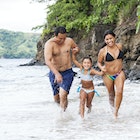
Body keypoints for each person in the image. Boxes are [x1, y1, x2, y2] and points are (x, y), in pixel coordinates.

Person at [44, 26, 79, 111]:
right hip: (54, 72)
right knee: (57, 98)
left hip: (67, 72)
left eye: (64, 38)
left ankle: (63, 115)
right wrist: (56, 74)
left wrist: (76, 50)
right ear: (55, 36)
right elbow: (47, 61)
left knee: (63, 94)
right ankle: (61, 112)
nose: (62, 41)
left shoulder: (69, 41)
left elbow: (76, 47)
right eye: (60, 39)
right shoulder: (49, 44)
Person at [97, 29, 125, 118]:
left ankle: (115, 113)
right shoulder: (103, 51)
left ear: (114, 37)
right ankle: (112, 109)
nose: (109, 41)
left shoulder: (119, 46)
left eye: (111, 38)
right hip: (108, 75)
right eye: (107, 39)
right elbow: (98, 62)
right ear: (105, 41)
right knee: (111, 94)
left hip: (119, 73)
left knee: (119, 91)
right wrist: (102, 68)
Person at [72, 52, 103, 118]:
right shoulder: (81, 68)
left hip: (91, 90)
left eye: (88, 63)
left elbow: (100, 74)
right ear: (82, 64)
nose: (86, 64)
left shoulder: (92, 71)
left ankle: (89, 108)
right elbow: (74, 60)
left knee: (88, 105)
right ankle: (82, 118)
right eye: (85, 63)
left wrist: (104, 69)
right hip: (83, 89)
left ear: (91, 64)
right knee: (82, 101)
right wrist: (74, 54)